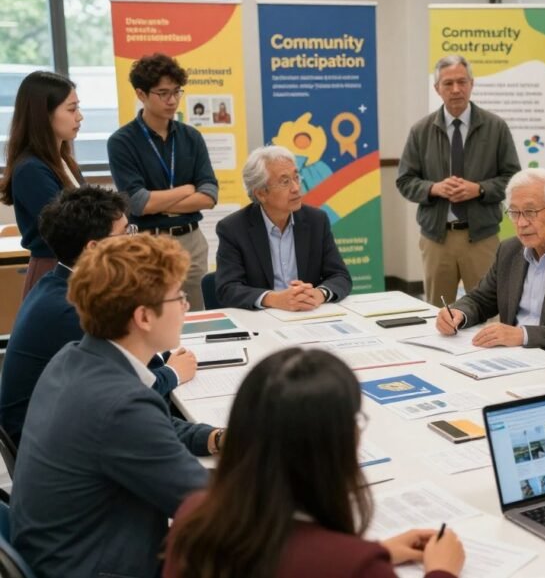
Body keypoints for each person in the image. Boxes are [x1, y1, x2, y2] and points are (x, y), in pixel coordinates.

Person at [11, 233, 224, 578]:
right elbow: (208, 504)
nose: (186, 307)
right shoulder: (121, 405)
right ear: (144, 317)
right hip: (96, 566)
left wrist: (213, 438)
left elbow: (152, 427)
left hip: (61, 551)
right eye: (179, 297)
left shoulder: (74, 358)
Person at [162, 348, 466, 578]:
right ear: (333, 443)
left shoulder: (194, 515)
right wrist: (441, 570)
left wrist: (378, 551)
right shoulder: (355, 567)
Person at [0, 187, 195, 446]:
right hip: (51, 440)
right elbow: (129, 390)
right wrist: (173, 372)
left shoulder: (59, 283)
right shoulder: (72, 309)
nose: (133, 240)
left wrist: (163, 360)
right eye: (125, 232)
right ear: (94, 247)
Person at [436, 169, 545, 370]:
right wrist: (458, 313)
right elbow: (481, 299)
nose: (521, 223)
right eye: (514, 212)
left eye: (530, 212)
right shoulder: (509, 250)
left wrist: (523, 335)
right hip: (511, 359)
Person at [396, 54, 520, 307]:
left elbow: (513, 179)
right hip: (436, 239)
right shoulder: (421, 131)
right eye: (448, 83)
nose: (456, 89)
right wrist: (434, 189)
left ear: (472, 84)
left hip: (482, 237)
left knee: (487, 310)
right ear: (437, 88)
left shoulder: (496, 127)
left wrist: (480, 189)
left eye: (462, 82)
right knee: (438, 310)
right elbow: (405, 181)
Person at [107, 52, 219, 311]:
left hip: (191, 241)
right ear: (141, 94)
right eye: (163, 93)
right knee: (151, 316)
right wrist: (186, 190)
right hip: (148, 243)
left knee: (196, 317)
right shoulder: (122, 142)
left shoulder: (191, 137)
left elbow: (209, 195)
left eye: (177, 92)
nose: (172, 100)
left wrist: (159, 202)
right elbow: (138, 203)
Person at [216, 146, 352, 310]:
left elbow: (340, 276)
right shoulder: (233, 228)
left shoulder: (316, 220)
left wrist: (319, 293)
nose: (296, 188)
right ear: (261, 193)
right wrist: (274, 299)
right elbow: (228, 289)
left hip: (308, 313)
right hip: (263, 317)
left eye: (296, 177)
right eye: (285, 182)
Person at [0, 71, 83, 297]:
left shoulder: (64, 161)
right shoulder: (31, 169)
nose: (80, 117)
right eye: (72, 109)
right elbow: (68, 227)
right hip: (54, 270)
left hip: (76, 267)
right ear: (43, 115)